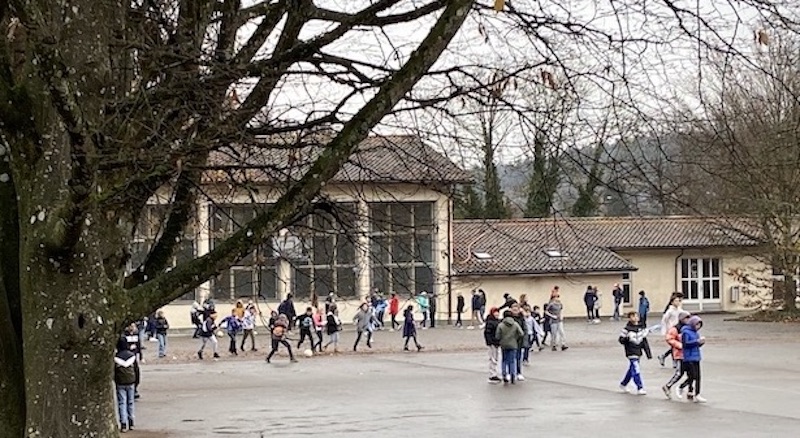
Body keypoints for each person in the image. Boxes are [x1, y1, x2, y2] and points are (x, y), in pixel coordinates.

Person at [618, 311, 652, 395]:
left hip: (638, 351)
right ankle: (640, 387)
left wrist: (648, 353)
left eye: (636, 316)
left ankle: (623, 383)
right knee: (636, 369)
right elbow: (621, 340)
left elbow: (644, 342)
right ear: (629, 318)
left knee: (632, 369)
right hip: (631, 352)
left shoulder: (641, 329)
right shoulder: (626, 329)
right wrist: (626, 338)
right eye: (633, 316)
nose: (635, 318)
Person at [662, 310, 691, 400]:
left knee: (692, 374)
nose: (688, 320)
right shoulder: (676, 329)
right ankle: (668, 386)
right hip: (680, 354)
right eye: (686, 318)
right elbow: (669, 338)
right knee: (679, 373)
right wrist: (679, 345)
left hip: (689, 354)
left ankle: (689, 390)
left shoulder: (689, 328)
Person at [678, 315, 706, 403]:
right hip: (689, 357)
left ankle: (697, 394)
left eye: (699, 325)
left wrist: (700, 343)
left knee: (698, 377)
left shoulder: (696, 333)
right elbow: (685, 344)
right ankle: (682, 386)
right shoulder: (686, 332)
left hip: (696, 356)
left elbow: (696, 344)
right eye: (697, 325)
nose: (698, 327)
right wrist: (696, 342)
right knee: (692, 376)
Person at [114, 337, 138, 433]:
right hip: (131, 381)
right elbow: (136, 370)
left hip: (120, 382)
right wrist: (136, 382)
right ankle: (131, 422)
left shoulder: (116, 357)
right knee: (130, 402)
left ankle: (123, 423)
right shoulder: (132, 356)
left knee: (122, 402)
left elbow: (113, 372)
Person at [496, 310, 524, 384]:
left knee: (504, 360)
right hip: (513, 344)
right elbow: (521, 333)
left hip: (504, 345)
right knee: (512, 361)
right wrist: (515, 338)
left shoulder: (501, 325)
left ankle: (504, 375)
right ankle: (513, 376)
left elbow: (497, 336)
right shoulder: (515, 324)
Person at [658, 293, 684, 367]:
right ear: (672, 302)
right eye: (676, 301)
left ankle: (663, 356)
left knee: (675, 345)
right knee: (674, 345)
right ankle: (674, 361)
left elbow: (684, 314)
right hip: (671, 330)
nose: (677, 302)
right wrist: (665, 330)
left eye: (678, 301)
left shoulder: (679, 310)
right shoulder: (670, 311)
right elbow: (664, 320)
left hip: (678, 329)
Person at [122, 323, 143, 399]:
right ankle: (131, 390)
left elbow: (138, 345)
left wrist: (141, 356)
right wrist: (129, 347)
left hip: (134, 356)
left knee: (136, 371)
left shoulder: (136, 334)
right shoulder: (124, 335)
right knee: (129, 372)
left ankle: (135, 388)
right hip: (127, 356)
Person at [510, 302, 528, 381]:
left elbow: (525, 329)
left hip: (519, 341)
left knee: (518, 358)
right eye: (513, 310)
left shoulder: (521, 319)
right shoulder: (509, 319)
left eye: (516, 310)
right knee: (510, 358)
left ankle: (518, 372)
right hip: (510, 341)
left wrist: (525, 340)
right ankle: (510, 373)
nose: (515, 311)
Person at [483, 307, 502, 383]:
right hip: (493, 343)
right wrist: (490, 342)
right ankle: (492, 374)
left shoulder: (498, 321)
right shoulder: (490, 322)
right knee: (493, 359)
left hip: (496, 343)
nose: (497, 314)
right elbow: (487, 333)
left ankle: (494, 373)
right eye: (495, 312)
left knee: (496, 358)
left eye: (498, 312)